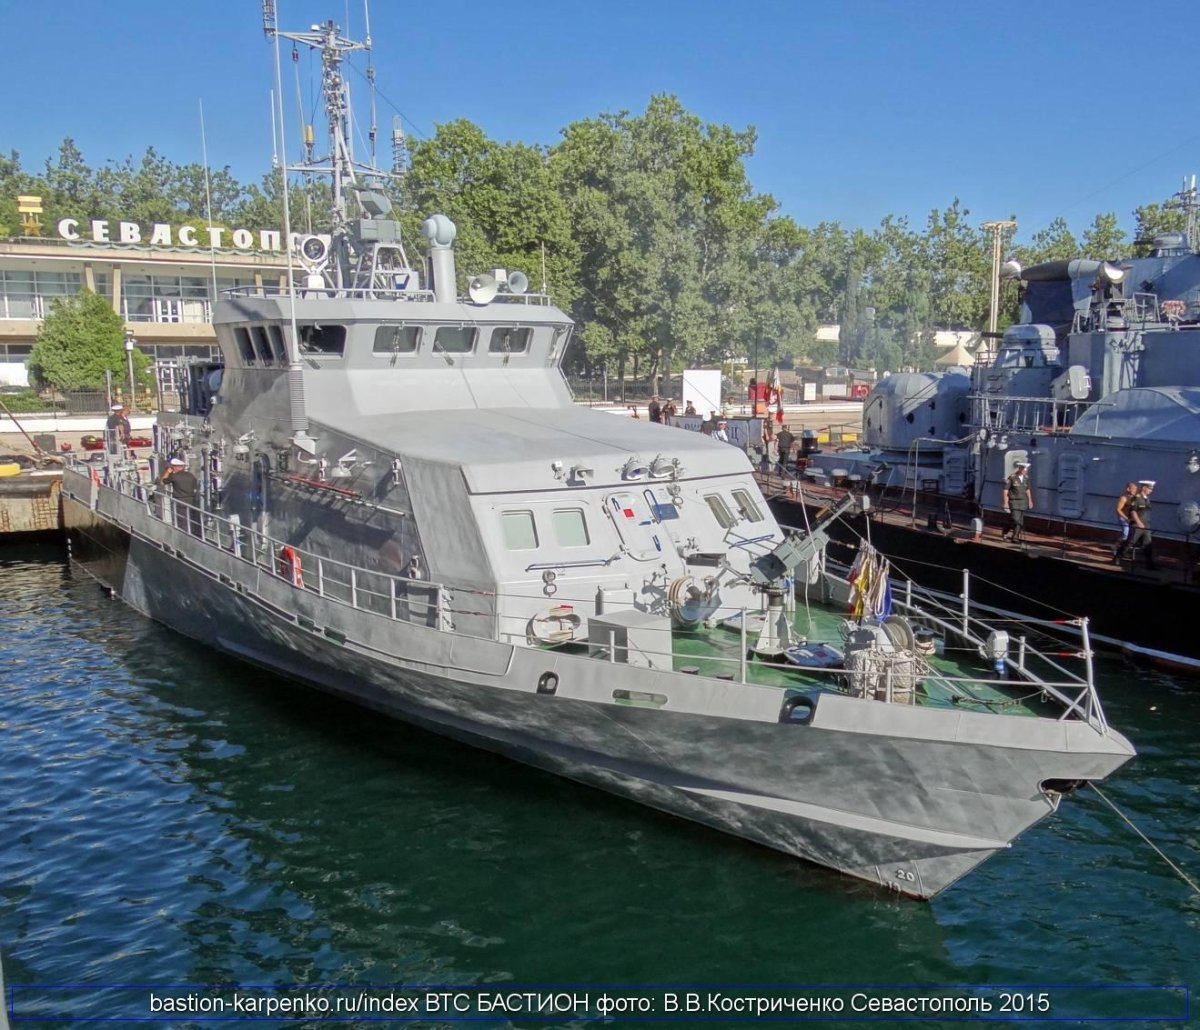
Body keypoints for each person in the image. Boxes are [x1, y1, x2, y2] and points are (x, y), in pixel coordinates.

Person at [157, 456, 201, 535]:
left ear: (176, 467)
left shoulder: (174, 476)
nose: (172, 468)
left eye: (172, 467)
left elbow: (162, 482)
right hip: (191, 500)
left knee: (182, 518)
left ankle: (184, 535)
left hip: (180, 500)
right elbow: (195, 489)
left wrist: (167, 472)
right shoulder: (191, 475)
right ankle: (194, 532)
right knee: (191, 517)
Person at [1124, 480, 1156, 569]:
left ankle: (1150, 565)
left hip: (1146, 525)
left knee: (1148, 544)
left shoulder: (1146, 498)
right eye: (1150, 489)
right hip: (1137, 525)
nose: (1151, 491)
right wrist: (1138, 522)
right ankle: (1118, 556)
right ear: (1144, 488)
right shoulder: (1137, 498)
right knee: (1130, 542)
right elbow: (1133, 511)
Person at [1001, 461, 1033, 543]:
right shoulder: (1012, 477)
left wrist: (1030, 500)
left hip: (1023, 502)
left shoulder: (1026, 478)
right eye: (1024, 469)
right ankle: (1005, 530)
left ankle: (1015, 538)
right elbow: (1005, 490)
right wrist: (1005, 503)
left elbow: (1027, 490)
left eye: (1026, 470)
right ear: (1020, 469)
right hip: (1014, 501)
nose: (1025, 471)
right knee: (1015, 519)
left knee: (1020, 521)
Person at [1112, 481, 1137, 561]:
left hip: (1131, 519)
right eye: (1133, 489)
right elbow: (1118, 509)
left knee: (1130, 536)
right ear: (1128, 489)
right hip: (1124, 518)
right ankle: (1115, 546)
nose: (1135, 490)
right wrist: (1126, 518)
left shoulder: (1135, 497)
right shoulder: (1124, 497)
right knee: (1125, 535)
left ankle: (1123, 550)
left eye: (1136, 489)